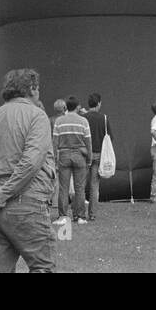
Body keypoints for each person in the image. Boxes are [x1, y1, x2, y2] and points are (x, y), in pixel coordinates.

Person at [0, 68, 56, 273]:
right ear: (32, 89)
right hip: (27, 202)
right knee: (42, 267)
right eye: (38, 88)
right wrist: (1, 195)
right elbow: (31, 162)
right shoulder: (37, 117)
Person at [53, 96, 92, 226]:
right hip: (79, 155)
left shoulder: (59, 121)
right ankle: (80, 216)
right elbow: (88, 142)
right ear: (77, 107)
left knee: (63, 188)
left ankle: (63, 216)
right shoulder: (83, 121)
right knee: (79, 188)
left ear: (66, 107)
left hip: (63, 154)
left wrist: (54, 159)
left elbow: (55, 142)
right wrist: (89, 158)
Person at [82, 93, 113, 222]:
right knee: (95, 185)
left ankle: (79, 212)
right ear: (99, 103)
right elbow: (110, 137)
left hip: (84, 154)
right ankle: (92, 214)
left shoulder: (83, 118)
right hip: (99, 154)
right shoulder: (104, 118)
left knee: (80, 185)